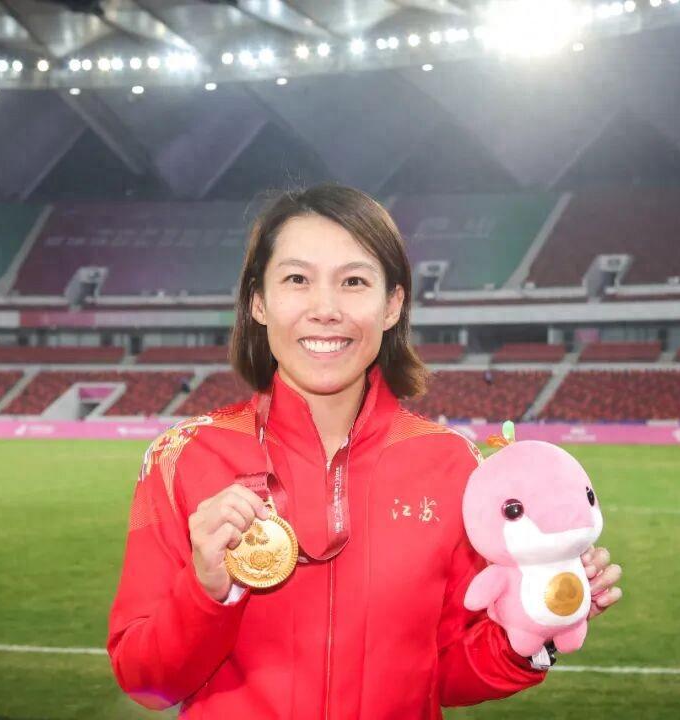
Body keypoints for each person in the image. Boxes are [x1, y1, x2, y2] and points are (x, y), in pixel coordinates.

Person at [108, 185, 623, 718]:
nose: (326, 309)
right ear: (258, 301)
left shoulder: (453, 466)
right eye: (297, 279)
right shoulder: (183, 457)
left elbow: (444, 672)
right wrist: (207, 591)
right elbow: (146, 681)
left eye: (353, 282)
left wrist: (534, 626)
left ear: (392, 304)